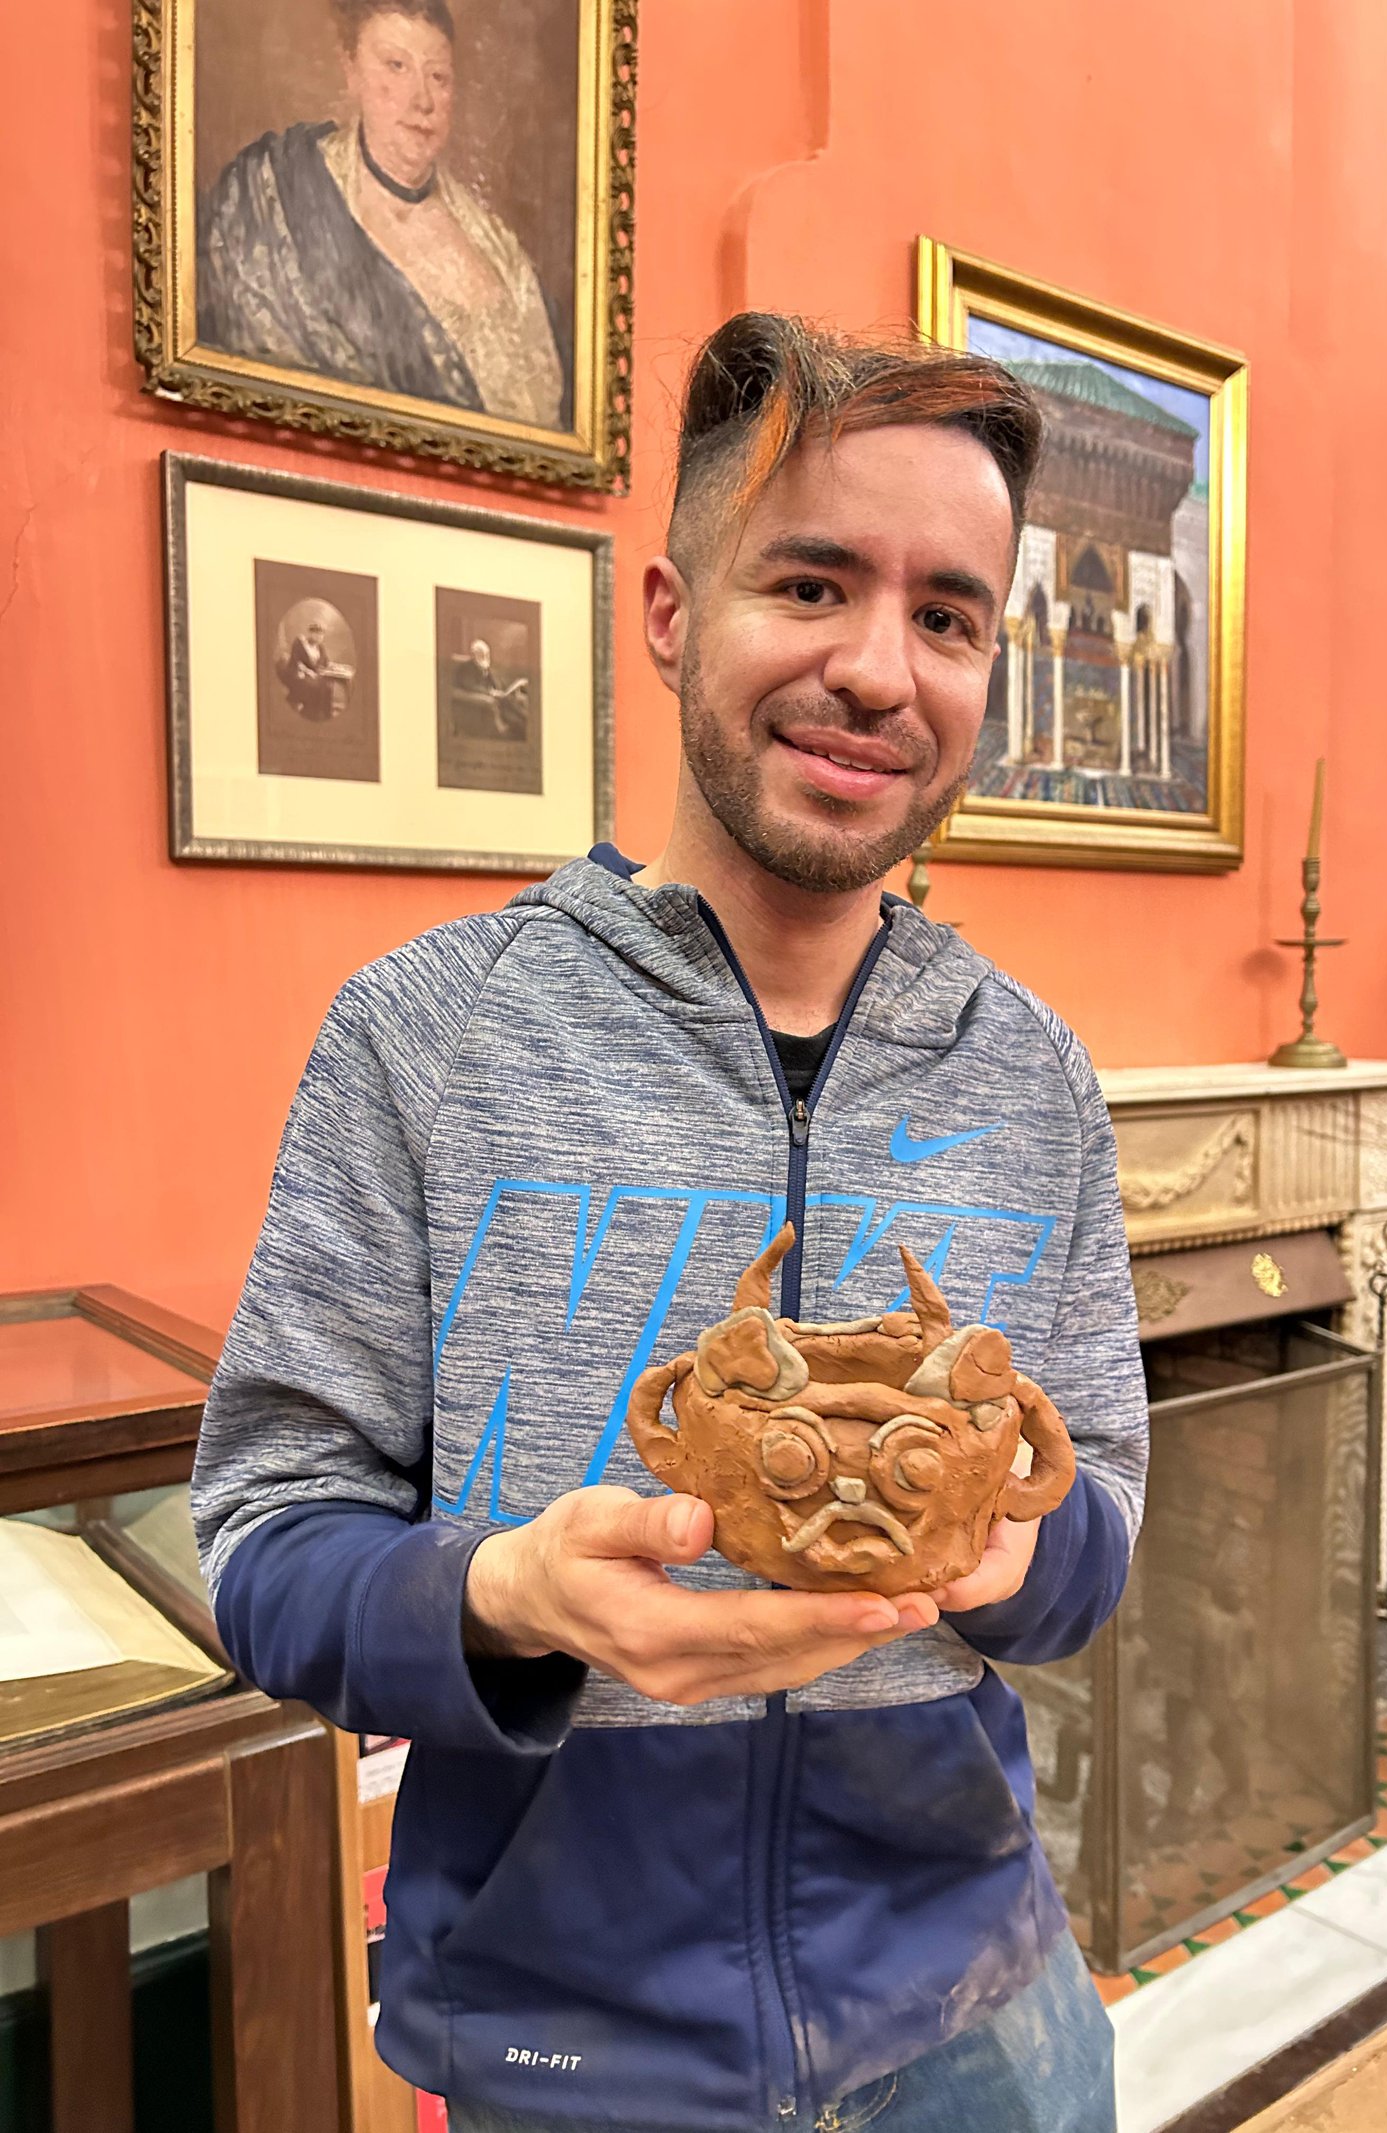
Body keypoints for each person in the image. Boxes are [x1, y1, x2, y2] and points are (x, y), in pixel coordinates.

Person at [192, 312, 1148, 2133]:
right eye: (811, 584)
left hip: (987, 2025)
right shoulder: (424, 1037)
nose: (879, 669)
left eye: (949, 616)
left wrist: (995, 1550)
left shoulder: (1037, 1077)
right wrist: (507, 1597)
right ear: (667, 610)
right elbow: (261, 1544)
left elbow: (1096, 1507)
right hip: (575, 2045)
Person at [198, 0, 565, 430]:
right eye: (396, 66)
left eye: (438, 77)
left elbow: (542, 417)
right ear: (351, 71)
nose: (423, 100)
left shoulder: (496, 247)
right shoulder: (276, 193)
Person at [451, 637, 529, 739]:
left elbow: (496, 683)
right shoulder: (466, 668)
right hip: (481, 697)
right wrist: (490, 692)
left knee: (516, 701)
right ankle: (510, 727)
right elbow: (470, 686)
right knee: (506, 705)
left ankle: (523, 721)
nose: (485, 656)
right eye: (480, 654)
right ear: (473, 654)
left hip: (496, 695)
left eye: (486, 654)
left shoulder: (487, 667)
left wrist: (503, 691)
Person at [280, 615, 353, 720]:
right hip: (298, 674)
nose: (319, 637)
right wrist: (310, 673)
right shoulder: (300, 643)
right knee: (315, 685)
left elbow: (325, 663)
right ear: (310, 633)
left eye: (321, 635)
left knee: (327, 685)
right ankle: (310, 712)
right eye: (316, 633)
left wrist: (339, 667)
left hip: (314, 676)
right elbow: (297, 663)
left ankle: (324, 714)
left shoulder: (320, 647)